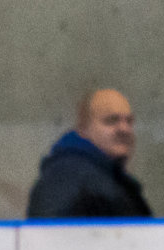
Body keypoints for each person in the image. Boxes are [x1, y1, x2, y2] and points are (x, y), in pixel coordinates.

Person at [26, 88, 152, 219]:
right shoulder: (66, 174)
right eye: (111, 120)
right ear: (83, 129)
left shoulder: (107, 177)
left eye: (129, 121)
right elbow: (49, 229)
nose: (124, 129)